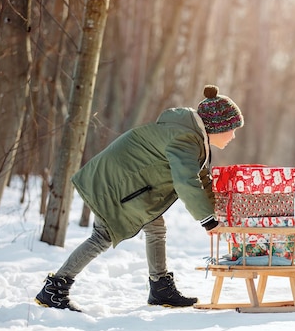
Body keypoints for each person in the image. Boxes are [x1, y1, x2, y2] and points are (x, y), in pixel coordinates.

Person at [35, 85, 243, 312]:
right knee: (102, 236)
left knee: (155, 226)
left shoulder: (191, 137)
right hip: (114, 184)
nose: (233, 136)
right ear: (218, 126)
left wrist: (217, 212)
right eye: (232, 129)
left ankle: (160, 287)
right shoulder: (186, 138)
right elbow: (186, 180)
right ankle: (55, 289)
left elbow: (202, 178)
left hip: (127, 184)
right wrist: (207, 220)